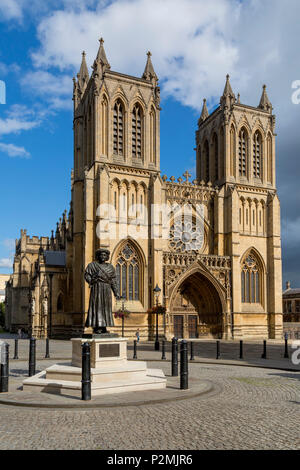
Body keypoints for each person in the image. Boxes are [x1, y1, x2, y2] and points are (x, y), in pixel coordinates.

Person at [84, 249, 120, 334]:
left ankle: (104, 326)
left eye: (104, 255)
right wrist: (93, 279)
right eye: (101, 255)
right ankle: (97, 326)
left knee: (106, 308)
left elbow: (113, 281)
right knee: (97, 307)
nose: (102, 257)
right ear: (97, 256)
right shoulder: (92, 265)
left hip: (107, 289)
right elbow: (87, 275)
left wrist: (116, 293)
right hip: (97, 288)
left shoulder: (110, 267)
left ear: (107, 257)